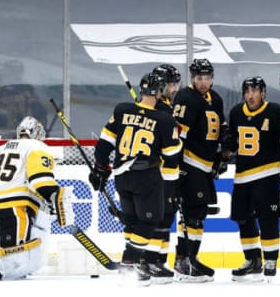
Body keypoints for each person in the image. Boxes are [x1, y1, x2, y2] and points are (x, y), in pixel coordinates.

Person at [92, 72, 183, 286]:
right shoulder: (164, 119)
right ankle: (129, 262)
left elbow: (104, 143)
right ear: (159, 92)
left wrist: (100, 168)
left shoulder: (123, 110)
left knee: (132, 221)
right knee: (150, 220)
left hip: (121, 175)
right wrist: (170, 128)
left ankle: (133, 266)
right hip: (147, 176)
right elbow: (172, 154)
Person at [0, 116, 74, 280]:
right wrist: (54, 198)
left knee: (13, 238)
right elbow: (40, 180)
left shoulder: (2, 148)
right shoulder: (37, 147)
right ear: (38, 134)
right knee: (19, 248)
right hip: (14, 206)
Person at [171, 58, 229, 283]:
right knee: (192, 213)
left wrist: (223, 149)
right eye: (198, 78)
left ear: (212, 78)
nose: (203, 82)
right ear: (192, 78)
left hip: (204, 165)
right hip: (190, 163)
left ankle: (190, 258)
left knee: (199, 214)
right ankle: (183, 260)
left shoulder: (215, 98)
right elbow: (178, 135)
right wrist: (178, 165)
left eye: (206, 78)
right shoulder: (186, 97)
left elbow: (220, 128)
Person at [226, 76, 280, 282]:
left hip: (267, 174)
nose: (250, 96)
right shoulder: (236, 113)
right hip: (242, 176)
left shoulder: (277, 112)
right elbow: (232, 141)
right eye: (247, 91)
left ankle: (271, 259)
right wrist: (222, 152)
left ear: (263, 93)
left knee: (268, 218)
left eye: (255, 91)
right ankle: (252, 260)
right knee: (243, 219)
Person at [141, 64, 182, 283]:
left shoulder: (165, 107)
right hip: (159, 172)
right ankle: (149, 260)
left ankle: (159, 261)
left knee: (166, 217)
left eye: (177, 84)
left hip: (170, 173)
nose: (174, 88)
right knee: (158, 217)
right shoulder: (161, 110)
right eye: (171, 84)